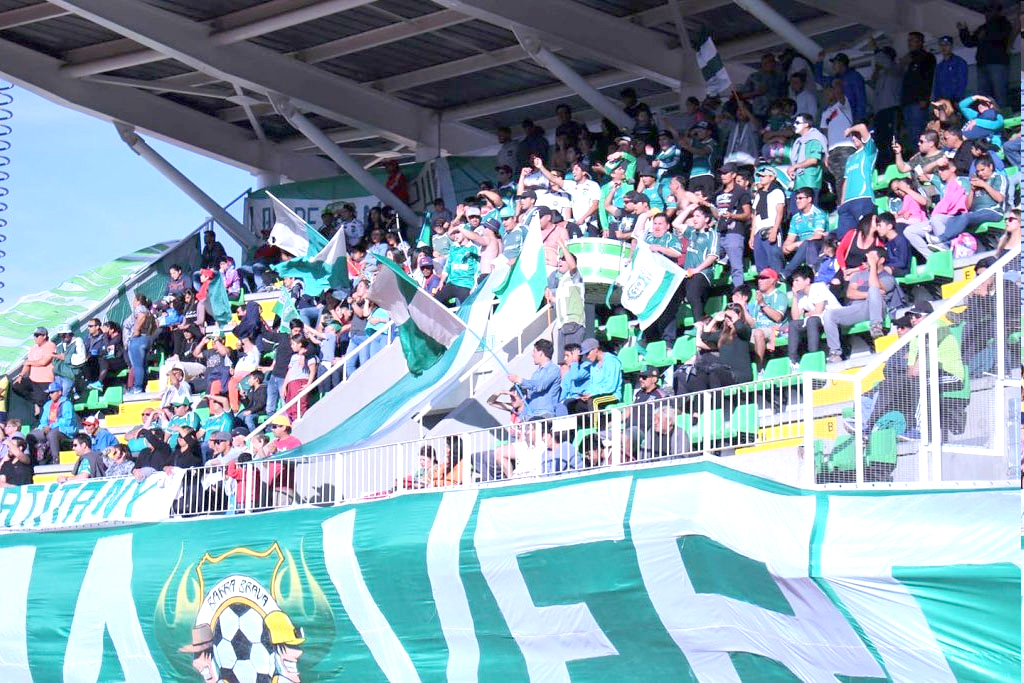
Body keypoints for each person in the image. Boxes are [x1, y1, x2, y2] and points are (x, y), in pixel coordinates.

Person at [823, 247, 893, 363]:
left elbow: (875, 286)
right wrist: (870, 294)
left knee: (873, 290)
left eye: (872, 257)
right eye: (868, 257)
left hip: (877, 309)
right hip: (857, 308)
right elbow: (850, 293)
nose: (868, 259)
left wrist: (873, 268)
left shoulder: (887, 277)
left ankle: (876, 327)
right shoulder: (858, 275)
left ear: (881, 260)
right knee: (829, 314)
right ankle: (835, 353)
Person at [903, 159, 969, 257]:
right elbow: (924, 172)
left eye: (943, 169)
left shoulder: (963, 181)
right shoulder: (940, 182)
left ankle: (947, 252)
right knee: (909, 231)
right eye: (939, 170)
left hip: (956, 216)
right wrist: (937, 162)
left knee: (936, 219)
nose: (940, 172)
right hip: (940, 218)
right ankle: (932, 257)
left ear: (953, 169)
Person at [937, 156, 1006, 245]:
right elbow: (967, 206)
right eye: (978, 171)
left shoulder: (998, 178)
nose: (980, 173)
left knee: (966, 217)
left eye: (983, 170)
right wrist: (972, 190)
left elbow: (1000, 198)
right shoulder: (977, 181)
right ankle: (951, 244)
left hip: (993, 211)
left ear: (991, 167)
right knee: (952, 220)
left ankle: (942, 240)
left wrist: (984, 185)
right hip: (976, 213)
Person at [957, 4, 1012, 107]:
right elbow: (970, 42)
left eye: (990, 11)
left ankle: (1002, 115)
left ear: (998, 12)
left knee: (1000, 94)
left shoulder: (1004, 24)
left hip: (998, 63)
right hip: (983, 64)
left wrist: (985, 34)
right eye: (986, 11)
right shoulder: (983, 28)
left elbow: (1001, 37)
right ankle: (988, 115)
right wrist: (963, 30)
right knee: (984, 96)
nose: (987, 14)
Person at [787, 265, 841, 368]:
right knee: (793, 324)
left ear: (807, 281)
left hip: (833, 317)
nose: (794, 283)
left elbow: (818, 310)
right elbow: (796, 318)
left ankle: (813, 356)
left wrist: (807, 314)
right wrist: (794, 297)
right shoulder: (800, 294)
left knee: (811, 320)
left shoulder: (818, 287)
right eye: (793, 281)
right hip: (819, 320)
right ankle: (793, 360)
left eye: (797, 280)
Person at [675, 203, 720, 323]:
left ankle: (698, 324)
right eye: (693, 216)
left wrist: (696, 270)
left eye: (698, 216)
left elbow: (712, 256)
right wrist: (688, 209)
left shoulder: (712, 234)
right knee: (671, 293)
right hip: (688, 274)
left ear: (706, 219)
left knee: (692, 293)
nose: (694, 219)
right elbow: (675, 224)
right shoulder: (691, 232)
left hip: (703, 273)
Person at [712, 162, 752, 288]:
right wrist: (709, 206)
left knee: (736, 267)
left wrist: (732, 216)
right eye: (721, 173)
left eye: (726, 173)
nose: (722, 176)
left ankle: (739, 293)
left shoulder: (741, 192)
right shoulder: (718, 193)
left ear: (733, 175)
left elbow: (747, 214)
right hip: (720, 232)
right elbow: (717, 215)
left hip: (735, 232)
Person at [836, 123, 878, 240]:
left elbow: (862, 127)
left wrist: (850, 129)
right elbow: (846, 180)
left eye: (856, 135)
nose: (853, 138)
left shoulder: (869, 151)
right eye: (852, 136)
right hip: (847, 202)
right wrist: (842, 202)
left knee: (865, 234)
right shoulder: (850, 158)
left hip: (863, 198)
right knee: (844, 238)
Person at [545, 242, 585, 359]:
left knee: (572, 360)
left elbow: (573, 266)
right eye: (559, 259)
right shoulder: (562, 282)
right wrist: (551, 298)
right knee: (563, 362)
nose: (560, 262)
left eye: (563, 259)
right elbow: (560, 302)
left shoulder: (575, 277)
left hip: (573, 323)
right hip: (562, 325)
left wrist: (562, 246)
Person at [742, 268, 788, 371]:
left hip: (775, 330)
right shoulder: (757, 298)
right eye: (759, 278)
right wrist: (743, 308)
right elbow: (753, 324)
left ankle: (759, 370)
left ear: (772, 281)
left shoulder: (779, 295)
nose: (760, 281)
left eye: (763, 278)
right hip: (759, 330)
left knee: (758, 333)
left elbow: (778, 318)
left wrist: (762, 304)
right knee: (736, 336)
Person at [506, 340, 561, 421]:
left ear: (541, 353)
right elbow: (530, 396)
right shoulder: (536, 373)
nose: (532, 354)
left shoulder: (554, 369)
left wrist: (519, 380)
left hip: (545, 415)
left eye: (534, 351)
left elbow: (540, 385)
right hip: (531, 415)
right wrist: (521, 417)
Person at [565, 338, 622, 414]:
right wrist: (587, 394)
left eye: (588, 353)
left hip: (612, 395)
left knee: (594, 401)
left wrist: (593, 394)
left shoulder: (611, 361)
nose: (587, 356)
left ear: (596, 349)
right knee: (573, 404)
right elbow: (592, 385)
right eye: (585, 354)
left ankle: (596, 422)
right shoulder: (593, 365)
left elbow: (611, 386)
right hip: (596, 395)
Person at [900, 31, 937, 146]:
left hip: (918, 100)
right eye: (909, 41)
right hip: (907, 100)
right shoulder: (908, 59)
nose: (909, 43)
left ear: (920, 42)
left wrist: (925, 98)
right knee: (910, 132)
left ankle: (921, 154)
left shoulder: (927, 57)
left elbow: (928, 78)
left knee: (917, 131)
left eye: (912, 40)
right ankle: (914, 154)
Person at [782, 188, 828, 277]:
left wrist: (796, 244)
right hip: (801, 248)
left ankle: (786, 273)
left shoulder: (818, 214)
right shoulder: (795, 217)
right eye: (796, 199)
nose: (797, 201)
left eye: (800, 198)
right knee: (778, 249)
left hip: (817, 246)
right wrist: (786, 247)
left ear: (809, 199)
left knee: (808, 244)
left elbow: (817, 236)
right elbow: (790, 238)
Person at [28, 382, 76, 465]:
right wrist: (43, 427)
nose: (50, 395)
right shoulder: (47, 404)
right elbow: (43, 420)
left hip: (64, 431)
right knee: (31, 435)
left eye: (52, 392)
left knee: (52, 434)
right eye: (49, 393)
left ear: (59, 392)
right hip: (48, 429)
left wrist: (51, 426)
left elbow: (67, 421)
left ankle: (55, 460)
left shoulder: (66, 404)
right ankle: (33, 461)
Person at [820, 80, 855, 190]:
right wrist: (826, 154)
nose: (827, 94)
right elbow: (824, 135)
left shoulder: (843, 105)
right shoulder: (825, 114)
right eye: (825, 92)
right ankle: (841, 200)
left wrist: (835, 82)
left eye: (830, 91)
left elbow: (840, 93)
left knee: (847, 177)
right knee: (838, 180)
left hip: (846, 147)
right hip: (832, 151)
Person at [750, 167, 786, 273]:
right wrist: (752, 236)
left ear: (771, 177)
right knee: (760, 263)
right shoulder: (759, 194)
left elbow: (779, 213)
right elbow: (755, 216)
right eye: (760, 176)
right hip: (758, 231)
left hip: (770, 229)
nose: (761, 178)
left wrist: (774, 230)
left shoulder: (777, 192)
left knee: (774, 260)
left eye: (763, 176)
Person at [12, 327, 56, 412]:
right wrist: (21, 375)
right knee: (16, 385)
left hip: (45, 380)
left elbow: (44, 362)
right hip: (32, 379)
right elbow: (27, 364)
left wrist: (29, 362)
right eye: (34, 335)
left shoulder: (50, 345)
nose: (35, 338)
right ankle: (35, 403)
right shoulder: (33, 348)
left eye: (37, 335)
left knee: (43, 401)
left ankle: (39, 406)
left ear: (44, 336)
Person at [786, 113, 826, 206]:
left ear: (806, 124)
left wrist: (795, 167)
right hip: (798, 183)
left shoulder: (815, 139)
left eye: (797, 123)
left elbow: (813, 160)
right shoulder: (799, 141)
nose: (794, 125)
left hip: (810, 183)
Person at [433, 225, 480, 305]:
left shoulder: (474, 249)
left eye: (458, 233)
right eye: (454, 233)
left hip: (466, 285)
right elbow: (447, 266)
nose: (455, 235)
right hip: (452, 283)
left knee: (466, 307)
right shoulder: (453, 248)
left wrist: (474, 287)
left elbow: (477, 270)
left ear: (466, 233)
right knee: (435, 301)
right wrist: (441, 282)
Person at [815, 52, 866, 122]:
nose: (833, 67)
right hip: (838, 118)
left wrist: (858, 120)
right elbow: (819, 79)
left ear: (841, 64)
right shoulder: (835, 78)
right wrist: (820, 62)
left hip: (851, 118)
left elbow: (861, 100)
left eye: (834, 64)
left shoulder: (855, 77)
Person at [932, 35, 968, 102]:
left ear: (952, 46)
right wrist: (936, 100)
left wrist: (957, 99)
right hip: (943, 102)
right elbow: (936, 85)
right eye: (941, 45)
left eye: (947, 44)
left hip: (955, 101)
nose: (944, 47)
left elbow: (962, 83)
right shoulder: (939, 66)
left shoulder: (959, 62)